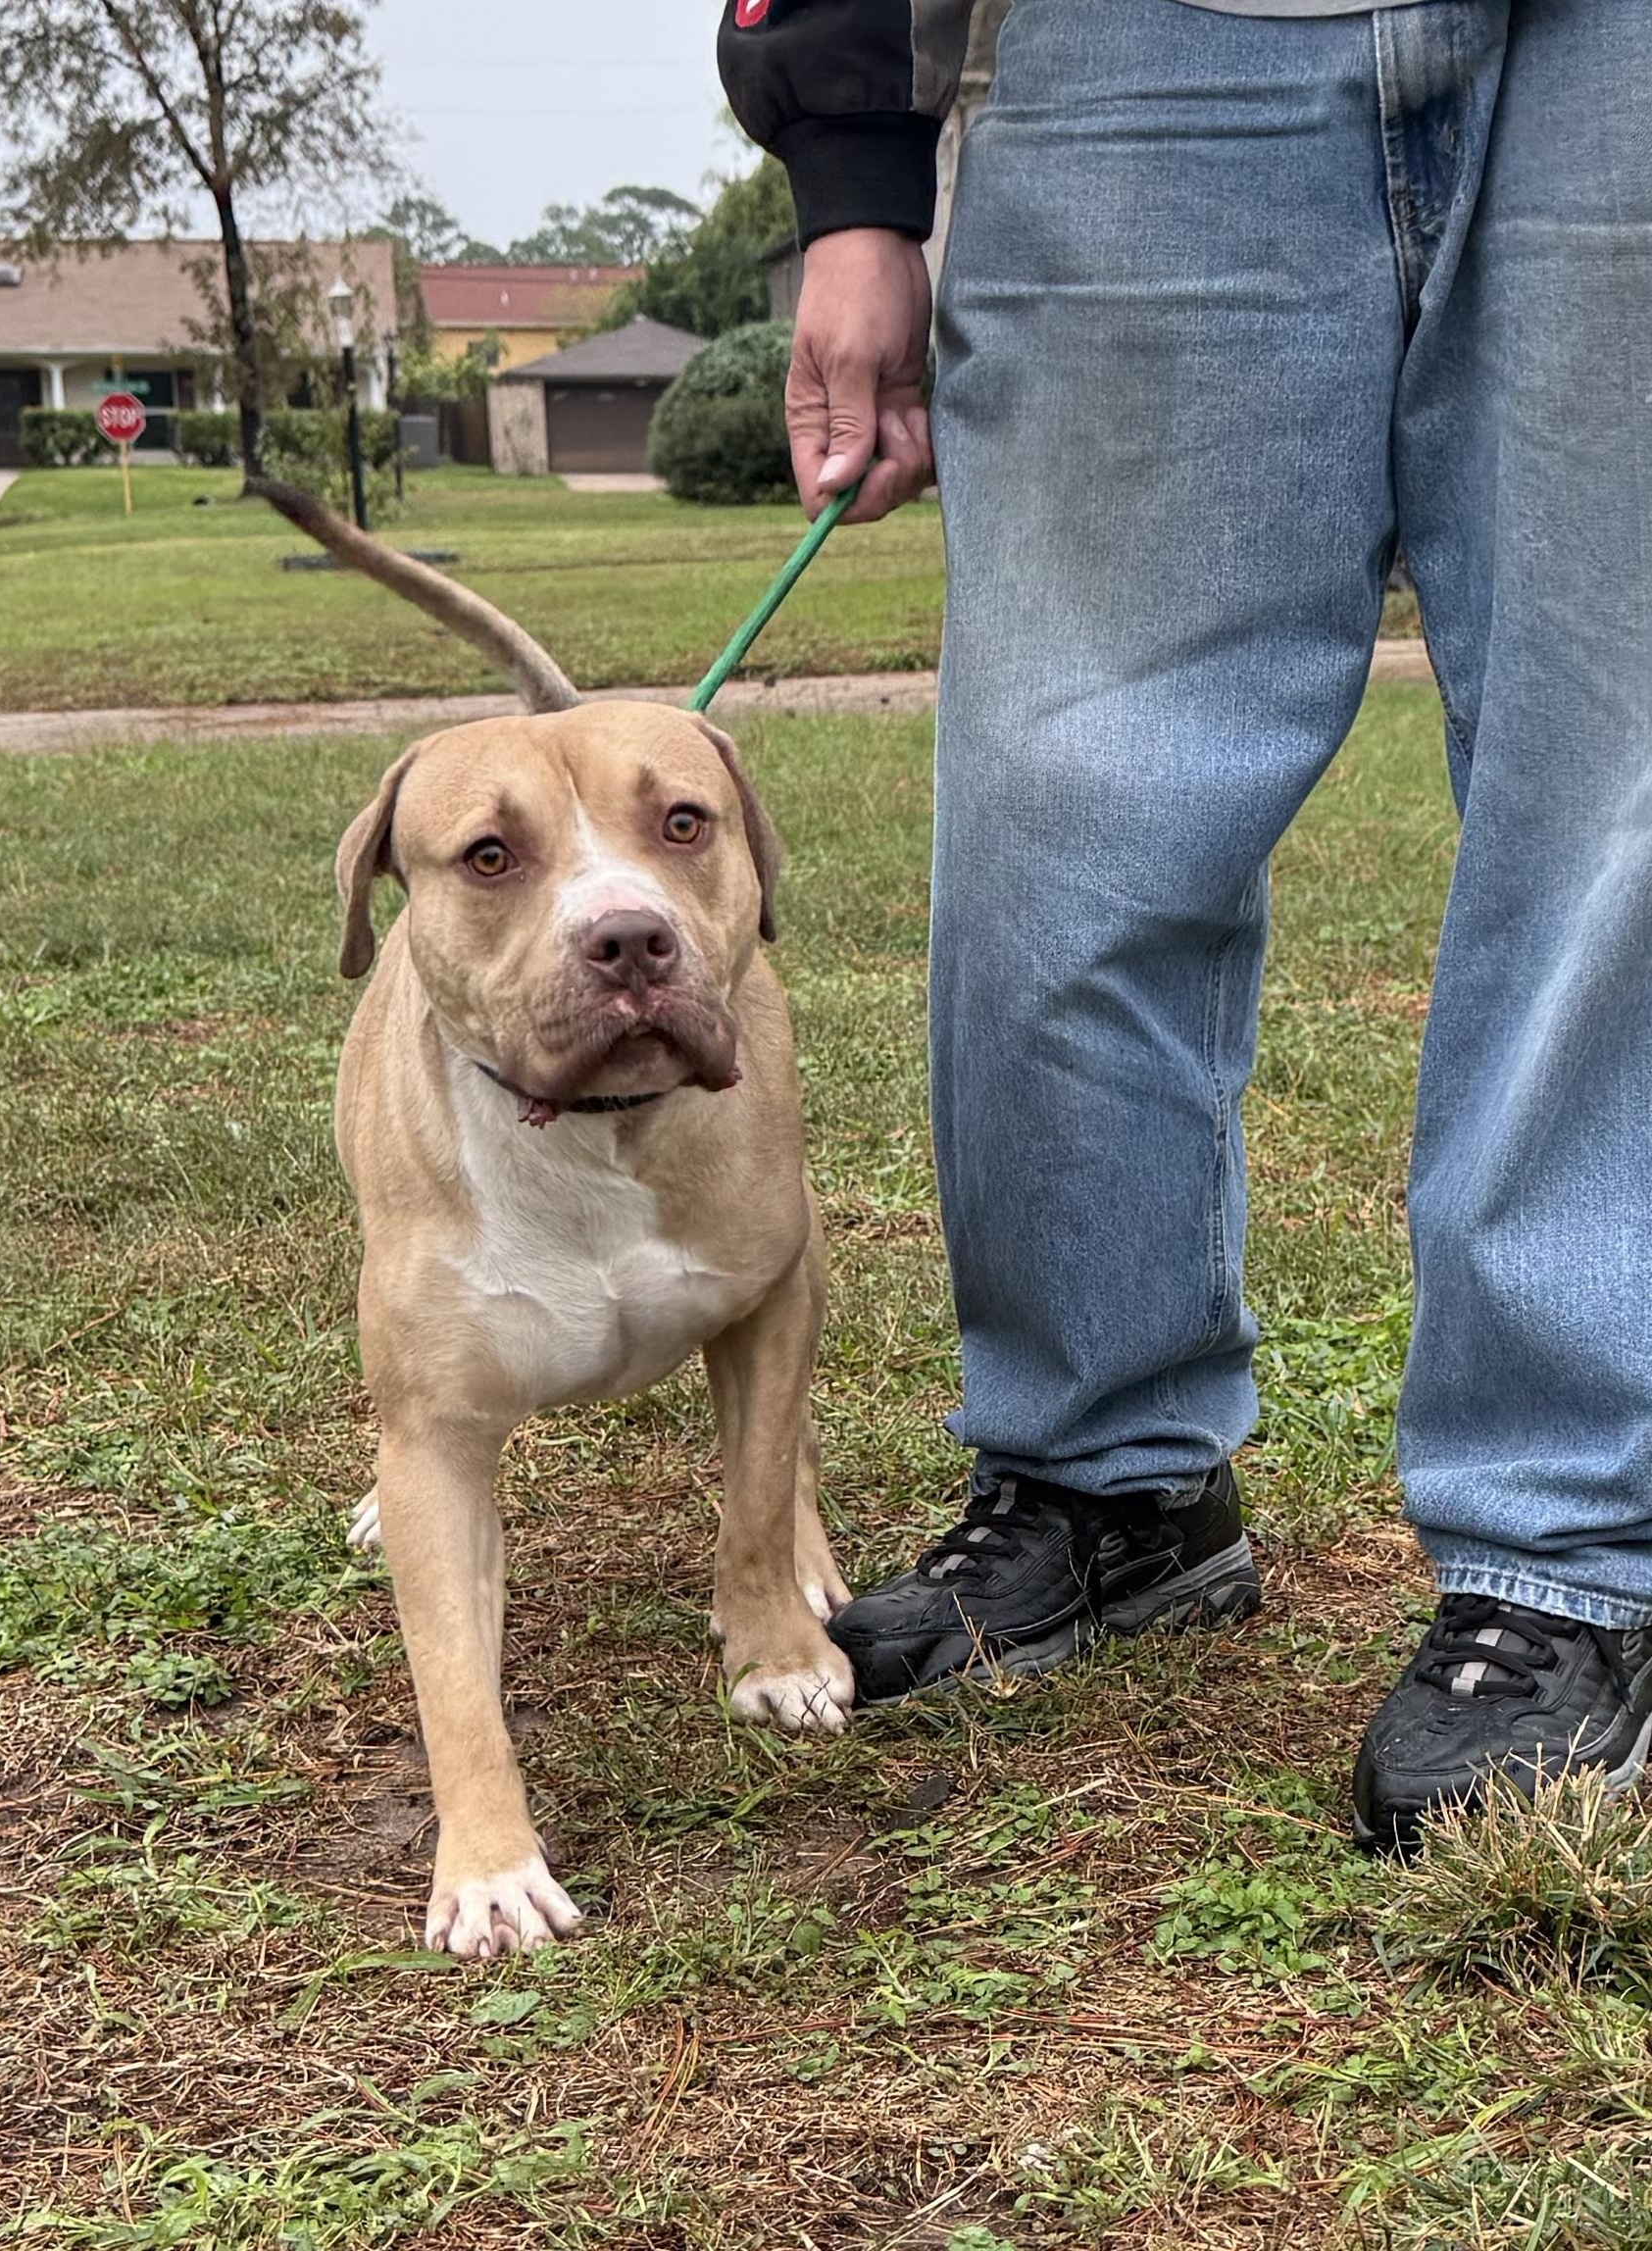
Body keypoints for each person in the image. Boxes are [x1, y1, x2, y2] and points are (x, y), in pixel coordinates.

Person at [717, 0, 1652, 1847]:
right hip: (1138, 43)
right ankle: (1104, 1485)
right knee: (1064, 799)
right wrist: (851, 177)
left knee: (1616, 787)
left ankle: (1574, 1545)